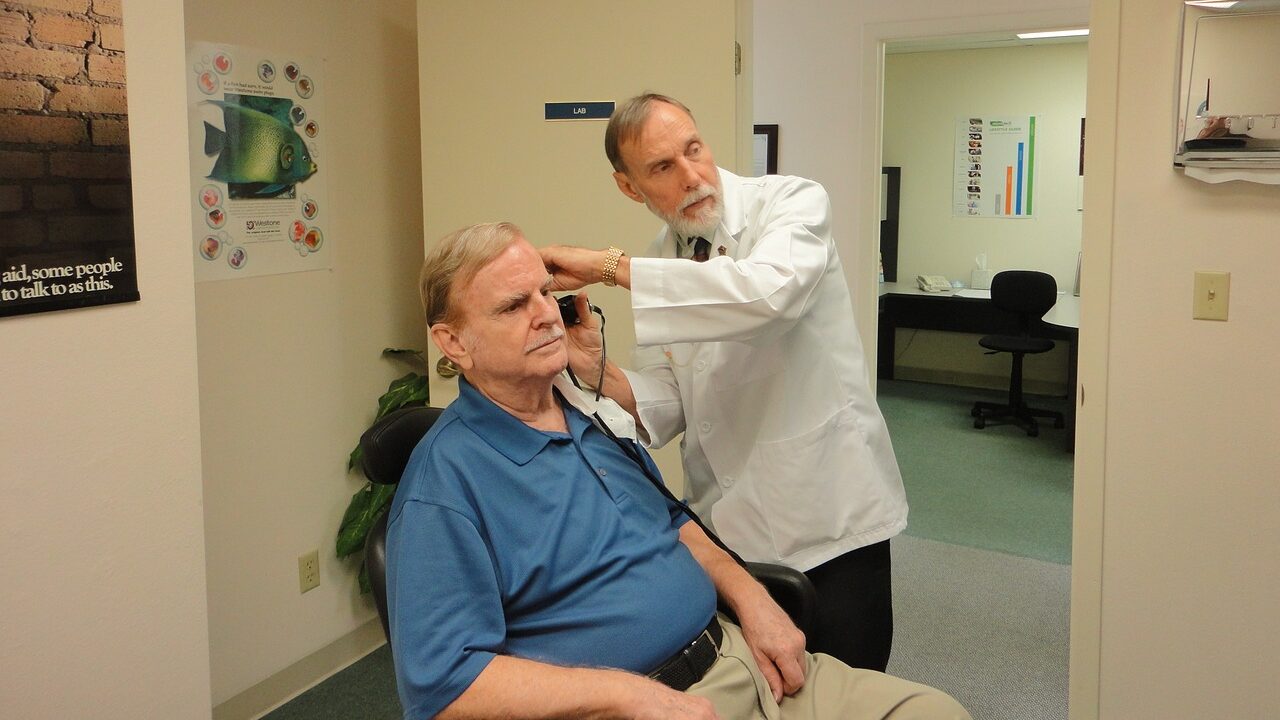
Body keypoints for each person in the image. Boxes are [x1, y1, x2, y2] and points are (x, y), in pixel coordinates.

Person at [386, 221, 969, 720]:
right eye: (514, 306)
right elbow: (444, 683)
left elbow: (672, 521)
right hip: (640, 706)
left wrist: (752, 598)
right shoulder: (444, 486)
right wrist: (626, 696)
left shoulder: (589, 414)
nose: (547, 317)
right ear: (453, 342)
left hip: (739, 658)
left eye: (544, 293)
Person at [539, 93, 908, 672]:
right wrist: (597, 371)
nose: (692, 176)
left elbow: (766, 297)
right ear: (630, 188)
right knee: (769, 691)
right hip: (731, 527)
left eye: (694, 150)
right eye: (663, 167)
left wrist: (606, 267)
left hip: (826, 515)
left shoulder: (791, 203)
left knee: (846, 692)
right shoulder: (665, 257)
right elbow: (668, 404)